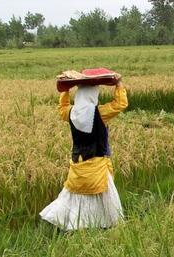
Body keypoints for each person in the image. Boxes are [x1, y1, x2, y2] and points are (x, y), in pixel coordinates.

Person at [40, 70, 128, 230]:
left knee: (76, 198)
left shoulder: (71, 113)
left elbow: (62, 107)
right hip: (98, 166)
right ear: (93, 96)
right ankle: (102, 225)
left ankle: (77, 225)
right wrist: (118, 83)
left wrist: (65, 89)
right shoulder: (100, 113)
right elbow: (121, 104)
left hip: (78, 165)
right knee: (103, 199)